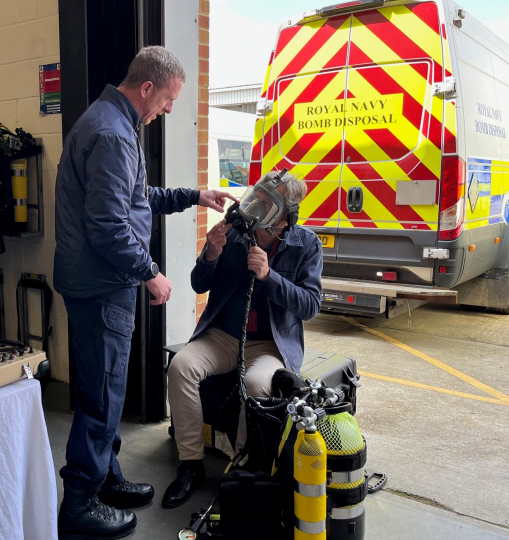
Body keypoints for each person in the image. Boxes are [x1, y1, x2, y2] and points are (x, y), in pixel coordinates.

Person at [53, 46, 236, 540]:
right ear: (149, 87)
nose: (170, 110)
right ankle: (79, 503)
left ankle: (106, 477)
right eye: (170, 99)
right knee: (101, 395)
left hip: (93, 282)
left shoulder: (110, 121)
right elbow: (109, 224)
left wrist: (194, 196)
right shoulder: (113, 133)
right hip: (103, 284)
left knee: (105, 389)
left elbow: (139, 199)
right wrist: (151, 271)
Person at [161, 171, 323, 509]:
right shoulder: (234, 235)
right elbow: (198, 284)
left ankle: (241, 466)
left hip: (269, 345)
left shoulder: (307, 244)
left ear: (285, 214)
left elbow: (310, 305)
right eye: (256, 197)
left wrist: (269, 276)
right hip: (223, 335)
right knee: (181, 367)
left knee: (256, 384)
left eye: (266, 203)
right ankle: (191, 463)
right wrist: (210, 254)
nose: (254, 206)